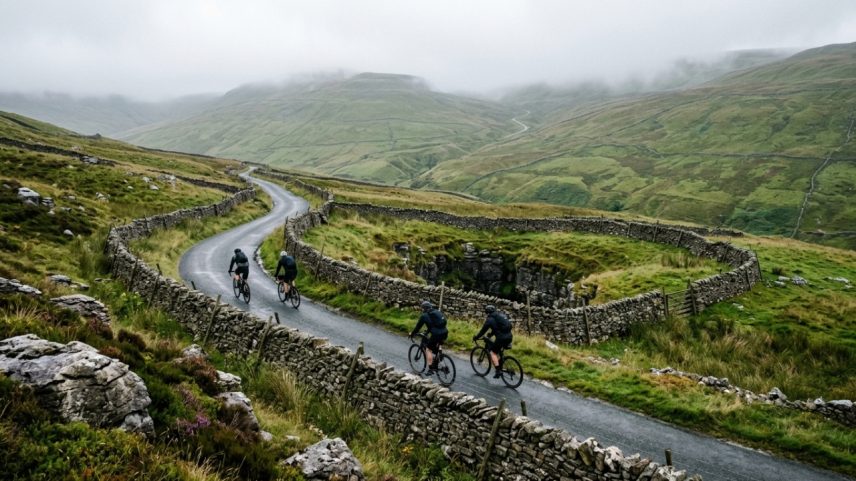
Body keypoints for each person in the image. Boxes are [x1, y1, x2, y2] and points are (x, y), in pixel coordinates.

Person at [473, 304, 513, 378]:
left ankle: (498, 371)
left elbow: (483, 331)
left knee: (493, 352)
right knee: (499, 351)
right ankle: (501, 364)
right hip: (509, 336)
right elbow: (497, 328)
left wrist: (476, 337)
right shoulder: (499, 316)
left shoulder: (490, 319)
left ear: (487, 312)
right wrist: (491, 334)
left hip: (502, 338)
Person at [409, 300, 448, 373]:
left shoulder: (424, 316)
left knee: (428, 349)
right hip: (445, 332)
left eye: (422, 309)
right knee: (437, 344)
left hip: (437, 334)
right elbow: (433, 325)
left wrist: (412, 334)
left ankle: (431, 368)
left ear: (424, 308)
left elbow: (418, 327)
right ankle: (440, 356)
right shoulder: (436, 312)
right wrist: (427, 332)